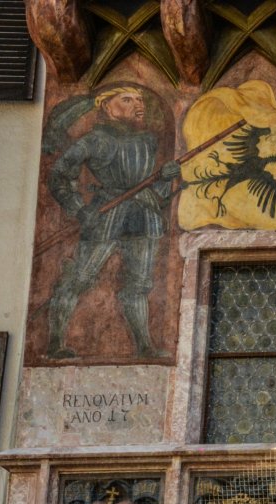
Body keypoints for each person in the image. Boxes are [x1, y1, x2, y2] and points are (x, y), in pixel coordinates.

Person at [45, 86, 181, 358]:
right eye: (127, 99)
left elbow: (156, 191)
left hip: (143, 214)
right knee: (80, 278)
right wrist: (79, 210)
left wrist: (165, 178)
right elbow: (58, 175)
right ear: (106, 106)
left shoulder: (147, 140)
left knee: (139, 284)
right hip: (106, 215)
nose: (138, 105)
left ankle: (144, 346)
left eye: (140, 99)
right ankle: (55, 343)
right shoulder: (94, 140)